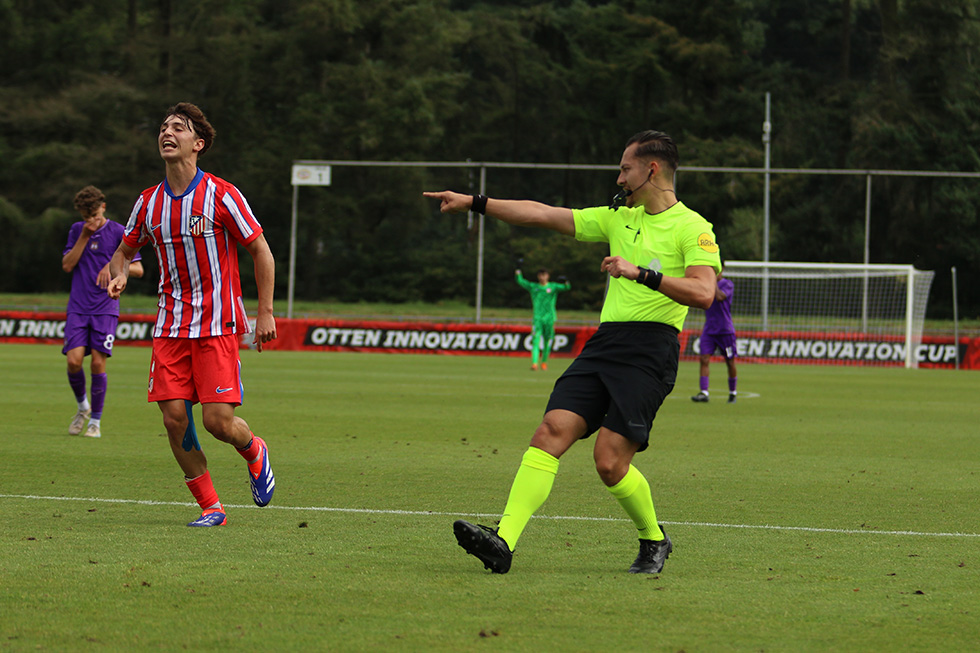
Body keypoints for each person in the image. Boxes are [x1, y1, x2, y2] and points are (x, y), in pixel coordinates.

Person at [425, 130, 721, 575]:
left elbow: (703, 292)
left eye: (625, 168)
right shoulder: (617, 219)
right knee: (551, 430)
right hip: (605, 344)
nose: (619, 177)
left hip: (650, 350)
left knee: (609, 462)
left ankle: (655, 539)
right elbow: (543, 214)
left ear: (651, 169)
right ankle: (503, 542)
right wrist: (475, 202)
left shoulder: (693, 228)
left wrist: (641, 273)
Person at [107, 102, 278, 527]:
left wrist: (265, 312)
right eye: (163, 127)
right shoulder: (148, 203)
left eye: (178, 128)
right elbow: (123, 252)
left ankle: (254, 449)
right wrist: (119, 276)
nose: (167, 133)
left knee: (218, 423)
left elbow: (260, 250)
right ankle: (211, 507)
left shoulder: (221, 194)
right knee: (173, 418)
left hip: (217, 324)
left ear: (197, 144)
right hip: (169, 327)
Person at [62, 185, 144, 438]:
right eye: (87, 217)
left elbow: (138, 269)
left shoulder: (119, 231)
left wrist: (114, 268)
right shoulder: (77, 230)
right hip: (78, 307)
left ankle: (95, 421)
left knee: (98, 363)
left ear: (103, 207)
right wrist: (85, 236)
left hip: (105, 308)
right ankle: (82, 407)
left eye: (95, 216)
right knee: (74, 361)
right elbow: (67, 265)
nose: (92, 221)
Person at [691, 260, 738, 403]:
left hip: (725, 331)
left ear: (722, 268)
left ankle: (733, 392)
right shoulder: (707, 285)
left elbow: (720, 296)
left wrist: (711, 282)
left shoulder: (727, 284)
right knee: (704, 359)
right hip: (709, 330)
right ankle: (704, 393)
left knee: (730, 362)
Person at [514, 266, 570, 370]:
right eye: (540, 275)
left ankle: (544, 362)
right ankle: (534, 363)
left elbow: (567, 288)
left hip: (549, 318)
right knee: (535, 341)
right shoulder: (534, 287)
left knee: (547, 341)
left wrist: (566, 281)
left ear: (547, 276)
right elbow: (520, 281)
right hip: (537, 318)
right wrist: (518, 271)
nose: (542, 277)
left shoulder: (553, 287)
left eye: (544, 275)